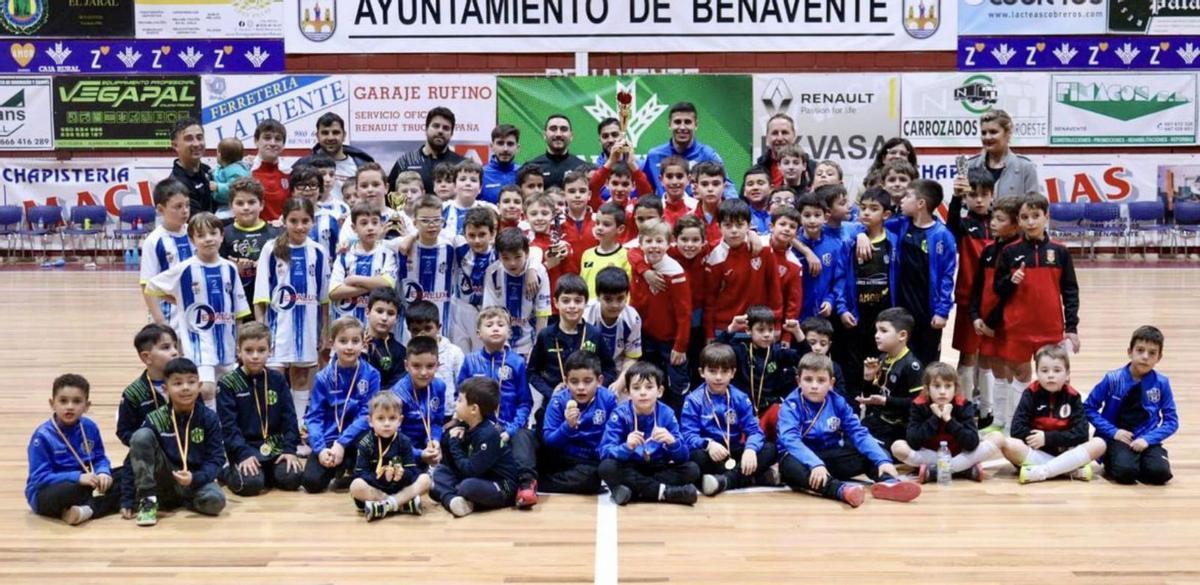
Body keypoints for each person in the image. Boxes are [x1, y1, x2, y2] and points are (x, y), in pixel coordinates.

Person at [777, 353, 921, 508]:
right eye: (808, 379)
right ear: (798, 381)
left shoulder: (838, 402)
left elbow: (858, 433)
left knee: (871, 450)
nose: (814, 385)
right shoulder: (790, 405)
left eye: (821, 380)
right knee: (789, 465)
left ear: (831, 383)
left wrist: (883, 460)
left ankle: (888, 482)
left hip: (829, 457)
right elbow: (790, 440)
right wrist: (815, 464)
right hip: (802, 460)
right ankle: (841, 490)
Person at [146, 212, 250, 410]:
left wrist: (239, 340)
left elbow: (239, 310)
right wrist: (179, 300)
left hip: (227, 340)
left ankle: (223, 427)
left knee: (227, 388)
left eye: (213, 233)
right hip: (198, 341)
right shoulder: (184, 268)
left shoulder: (230, 268)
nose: (208, 239)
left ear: (221, 236)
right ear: (192, 240)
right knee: (207, 388)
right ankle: (213, 428)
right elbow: (152, 287)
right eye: (201, 235)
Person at [993, 194, 1079, 415]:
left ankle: (1052, 422)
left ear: (1046, 217)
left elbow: (1070, 291)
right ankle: (1016, 425)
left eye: (1035, 216)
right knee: (1020, 377)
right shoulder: (1009, 252)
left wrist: (1071, 328)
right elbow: (998, 289)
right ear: (1019, 221)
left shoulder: (1060, 252)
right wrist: (1011, 282)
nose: (1030, 222)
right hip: (1017, 328)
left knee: (1051, 378)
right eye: (1024, 217)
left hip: (1050, 329)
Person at [457, 307, 539, 508]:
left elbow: (524, 402)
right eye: (489, 325)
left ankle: (525, 485)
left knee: (524, 436)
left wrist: (510, 430)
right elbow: (459, 397)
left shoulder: (517, 362)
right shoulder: (470, 361)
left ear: (509, 332)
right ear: (478, 333)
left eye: (501, 325)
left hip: (508, 428)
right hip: (479, 428)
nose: (495, 329)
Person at [129, 358, 226, 526]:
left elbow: (217, 458)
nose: (186, 387)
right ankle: (148, 501)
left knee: (216, 502)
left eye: (191, 382)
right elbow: (135, 456)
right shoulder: (155, 418)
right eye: (178, 383)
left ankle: (179, 499)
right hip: (164, 477)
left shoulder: (209, 418)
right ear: (166, 389)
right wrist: (126, 498)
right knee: (141, 435)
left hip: (194, 479)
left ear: (200, 385)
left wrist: (195, 478)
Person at [216, 322, 303, 496]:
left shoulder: (277, 379)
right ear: (238, 351)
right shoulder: (228, 383)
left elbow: (290, 418)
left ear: (270, 351)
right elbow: (229, 427)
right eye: (248, 351)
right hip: (245, 449)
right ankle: (226, 471)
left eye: (261, 350)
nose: (255, 356)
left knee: (292, 479)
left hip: (275, 448)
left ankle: (268, 472)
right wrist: (242, 454)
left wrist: (289, 450)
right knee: (251, 485)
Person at [997, 345, 1106, 483]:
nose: (1050, 375)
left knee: (1099, 443)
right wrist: (1038, 439)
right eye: (1044, 370)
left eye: (1057, 370)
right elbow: (1017, 429)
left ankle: (1041, 471)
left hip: (1066, 452)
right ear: (1036, 372)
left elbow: (1082, 433)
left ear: (1067, 374)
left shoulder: (1073, 397)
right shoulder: (1030, 394)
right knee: (1008, 444)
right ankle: (1068, 470)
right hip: (1038, 453)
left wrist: (1047, 438)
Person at [254, 197, 331, 392]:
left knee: (303, 378)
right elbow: (261, 296)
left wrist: (325, 330)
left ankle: (298, 422)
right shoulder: (271, 249)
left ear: (312, 222)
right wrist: (262, 331)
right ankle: (274, 423)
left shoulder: (318, 251)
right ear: (284, 220)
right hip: (277, 328)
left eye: (305, 221)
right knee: (274, 380)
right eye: (293, 221)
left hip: (308, 327)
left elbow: (324, 298)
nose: (299, 227)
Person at [598, 361, 701, 505]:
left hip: (658, 468)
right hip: (630, 466)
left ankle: (634, 492)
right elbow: (604, 451)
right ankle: (667, 493)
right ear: (627, 392)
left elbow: (683, 456)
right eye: (636, 387)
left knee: (692, 469)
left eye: (649, 387)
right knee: (607, 467)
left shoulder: (667, 413)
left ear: (660, 391)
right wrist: (626, 447)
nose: (643, 392)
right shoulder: (619, 415)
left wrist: (672, 443)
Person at [1084, 326, 1176, 485]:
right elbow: (1088, 408)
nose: (1145, 357)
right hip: (1117, 438)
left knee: (1160, 474)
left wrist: (1148, 439)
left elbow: (1171, 421)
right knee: (1125, 473)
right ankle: (1116, 458)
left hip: (1147, 438)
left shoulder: (1162, 383)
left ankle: (1142, 460)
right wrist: (1113, 432)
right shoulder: (1112, 379)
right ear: (1130, 352)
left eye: (1152, 353)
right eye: (1140, 350)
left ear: (1159, 357)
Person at [682, 343, 777, 496]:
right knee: (694, 458)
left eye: (724, 371)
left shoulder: (740, 398)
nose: (718, 377)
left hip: (733, 450)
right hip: (709, 454)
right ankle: (749, 477)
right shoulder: (693, 400)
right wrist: (708, 444)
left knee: (770, 449)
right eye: (712, 371)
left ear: (733, 373)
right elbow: (687, 436)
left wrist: (751, 449)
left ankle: (725, 481)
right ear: (702, 372)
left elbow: (754, 430)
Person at [301, 317, 382, 494]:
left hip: (358, 440)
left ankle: (349, 469)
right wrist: (321, 449)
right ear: (332, 343)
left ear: (363, 344)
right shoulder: (323, 377)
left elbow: (366, 414)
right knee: (311, 483)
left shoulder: (372, 375)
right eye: (343, 341)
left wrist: (342, 443)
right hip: (329, 441)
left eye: (355, 341)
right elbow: (314, 417)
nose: (349, 347)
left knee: (374, 470)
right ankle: (339, 467)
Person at [26, 374, 119, 525]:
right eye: (63, 401)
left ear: (87, 406)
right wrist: (77, 477)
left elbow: (99, 457)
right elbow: (39, 479)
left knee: (127, 475)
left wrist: (103, 472)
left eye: (76, 401)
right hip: (49, 491)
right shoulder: (42, 437)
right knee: (73, 489)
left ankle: (79, 512)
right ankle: (93, 508)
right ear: (52, 403)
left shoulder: (90, 427)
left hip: (87, 482)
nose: (69, 406)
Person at [891, 362, 1001, 483]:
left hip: (960, 454)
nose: (942, 391)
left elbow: (972, 443)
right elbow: (913, 442)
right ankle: (963, 469)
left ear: (955, 389)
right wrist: (935, 417)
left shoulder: (963, 404)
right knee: (898, 447)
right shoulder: (918, 405)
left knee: (998, 438)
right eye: (937, 386)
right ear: (927, 389)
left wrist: (949, 420)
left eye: (948, 386)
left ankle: (935, 471)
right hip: (932, 455)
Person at [972, 196, 1024, 430]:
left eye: (1000, 219)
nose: (993, 222)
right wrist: (976, 316)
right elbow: (978, 285)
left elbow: (1009, 294)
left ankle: (1013, 420)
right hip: (985, 320)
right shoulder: (989, 250)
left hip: (1004, 322)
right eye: (993, 217)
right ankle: (999, 419)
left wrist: (992, 322)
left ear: (1015, 225)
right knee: (995, 367)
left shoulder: (1018, 253)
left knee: (1012, 369)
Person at [891, 179, 957, 366]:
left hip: (929, 313)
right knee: (901, 359)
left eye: (907, 196)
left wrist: (943, 311)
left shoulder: (942, 235)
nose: (902, 200)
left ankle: (927, 395)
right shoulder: (900, 225)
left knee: (927, 362)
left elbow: (947, 275)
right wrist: (862, 235)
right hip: (902, 310)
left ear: (921, 204)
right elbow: (868, 225)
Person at [432, 376, 520, 517]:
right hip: (480, 478)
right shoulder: (466, 425)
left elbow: (470, 470)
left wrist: (454, 444)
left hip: (503, 486)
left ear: (474, 409)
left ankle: (450, 497)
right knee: (439, 474)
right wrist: (449, 439)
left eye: (460, 400)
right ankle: (454, 500)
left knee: (467, 486)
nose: (456, 403)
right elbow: (451, 464)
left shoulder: (489, 434)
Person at [627, 219, 692, 406]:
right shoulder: (640, 262)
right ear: (641, 243)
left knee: (677, 386)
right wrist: (644, 271)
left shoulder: (675, 273)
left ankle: (679, 424)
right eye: (648, 241)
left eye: (659, 241)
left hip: (670, 341)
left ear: (668, 244)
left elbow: (684, 313)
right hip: (645, 336)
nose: (654, 246)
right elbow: (631, 253)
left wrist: (680, 345)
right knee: (648, 382)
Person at [949, 166, 996, 422]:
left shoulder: (1000, 225)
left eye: (984, 194)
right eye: (973, 195)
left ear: (992, 195)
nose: (979, 199)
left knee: (990, 355)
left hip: (995, 301)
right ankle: (964, 407)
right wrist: (956, 198)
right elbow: (951, 224)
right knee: (968, 354)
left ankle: (988, 409)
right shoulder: (963, 226)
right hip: (968, 299)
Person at [717, 306, 805, 440]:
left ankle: (782, 453)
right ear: (748, 330)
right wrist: (731, 329)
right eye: (761, 330)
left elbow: (810, 362)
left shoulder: (778, 353)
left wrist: (798, 333)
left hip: (769, 411)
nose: (767, 334)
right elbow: (713, 353)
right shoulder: (740, 350)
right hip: (743, 412)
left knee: (780, 412)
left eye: (770, 330)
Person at [529, 275, 617, 408]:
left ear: (585, 302)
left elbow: (609, 369)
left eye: (577, 301)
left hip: (590, 404)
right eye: (566, 301)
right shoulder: (546, 335)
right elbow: (532, 372)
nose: (572, 306)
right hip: (555, 403)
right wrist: (550, 392)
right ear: (556, 302)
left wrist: (594, 388)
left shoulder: (594, 334)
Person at [842, 188, 897, 396]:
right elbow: (840, 278)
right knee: (854, 366)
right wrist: (842, 308)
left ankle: (877, 408)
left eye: (873, 209)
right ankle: (854, 411)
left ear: (886, 215)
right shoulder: (850, 241)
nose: (866, 213)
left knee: (880, 364)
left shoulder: (893, 242)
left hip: (883, 316)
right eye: (863, 208)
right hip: (856, 317)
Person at [702, 199, 782, 339]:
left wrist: (776, 324)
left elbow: (774, 289)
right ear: (718, 227)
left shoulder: (763, 249)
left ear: (749, 226)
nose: (734, 230)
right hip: (725, 328)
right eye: (727, 225)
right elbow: (710, 300)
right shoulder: (714, 256)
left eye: (739, 225)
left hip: (759, 327)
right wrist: (709, 334)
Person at [541, 351, 619, 494]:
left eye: (588, 381)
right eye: (574, 381)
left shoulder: (608, 400)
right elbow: (549, 441)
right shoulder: (558, 401)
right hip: (562, 456)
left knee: (593, 478)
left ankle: (543, 483)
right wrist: (567, 426)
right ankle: (535, 481)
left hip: (591, 460)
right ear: (566, 381)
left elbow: (613, 436)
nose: (581, 387)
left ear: (600, 381)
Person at [351, 392, 432, 520]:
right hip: (376, 489)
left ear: (400, 421)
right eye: (381, 418)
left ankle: (384, 506)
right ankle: (401, 504)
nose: (387, 423)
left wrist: (402, 474)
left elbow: (412, 470)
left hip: (400, 487)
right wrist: (382, 477)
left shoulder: (404, 441)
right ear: (370, 421)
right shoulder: (365, 443)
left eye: (392, 418)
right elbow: (360, 473)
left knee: (426, 480)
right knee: (356, 486)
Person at [642, 102, 737, 199]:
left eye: (687, 122)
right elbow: (644, 190)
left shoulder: (707, 154)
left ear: (696, 124)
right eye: (677, 122)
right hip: (664, 212)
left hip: (698, 213)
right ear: (670, 124)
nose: (682, 127)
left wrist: (736, 211)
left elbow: (727, 187)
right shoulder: (654, 156)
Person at [396, 195, 460, 340]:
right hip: (409, 325)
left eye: (436, 220)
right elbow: (375, 244)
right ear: (414, 222)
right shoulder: (401, 245)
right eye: (425, 220)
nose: (431, 225)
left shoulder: (452, 245)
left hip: (442, 320)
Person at [860, 307, 924, 449]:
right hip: (878, 421)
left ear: (902, 335)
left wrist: (886, 401)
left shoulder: (912, 366)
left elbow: (918, 404)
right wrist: (868, 378)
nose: (876, 335)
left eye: (883, 331)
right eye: (876, 330)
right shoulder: (882, 359)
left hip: (899, 428)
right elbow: (870, 397)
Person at [482, 228, 551, 357]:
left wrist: (538, 347)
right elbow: (489, 312)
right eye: (506, 258)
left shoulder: (538, 272)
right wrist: (495, 343)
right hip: (501, 341)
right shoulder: (492, 273)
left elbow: (543, 313)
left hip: (529, 342)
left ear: (526, 253)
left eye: (517, 257)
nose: (512, 263)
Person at [329, 203, 398, 324]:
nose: (370, 227)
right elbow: (334, 292)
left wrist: (353, 279)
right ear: (354, 228)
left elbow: (387, 284)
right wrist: (373, 286)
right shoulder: (344, 253)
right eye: (364, 223)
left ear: (381, 225)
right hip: (346, 325)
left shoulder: (387, 253)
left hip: (376, 326)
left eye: (375, 222)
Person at [140, 179, 194, 329]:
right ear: (160, 209)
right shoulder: (154, 241)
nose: (184, 211)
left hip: (195, 313)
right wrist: (160, 321)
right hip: (169, 317)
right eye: (177, 206)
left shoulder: (195, 234)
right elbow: (147, 285)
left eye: (187, 205)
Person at [390, 335, 446, 471]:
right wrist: (419, 454)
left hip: (426, 448)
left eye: (430, 366)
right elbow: (392, 436)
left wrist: (434, 441)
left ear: (438, 365)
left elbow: (437, 422)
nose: (423, 372)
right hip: (403, 450)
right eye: (416, 366)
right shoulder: (397, 395)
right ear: (406, 366)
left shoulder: (439, 387)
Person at [583, 267, 642, 394]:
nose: (615, 305)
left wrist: (620, 383)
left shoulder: (632, 318)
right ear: (598, 296)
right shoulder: (585, 314)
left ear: (627, 296)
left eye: (620, 298)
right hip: (586, 369)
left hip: (618, 371)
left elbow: (631, 357)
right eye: (608, 299)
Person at [220, 178, 277, 306]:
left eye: (251, 202)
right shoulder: (222, 235)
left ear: (261, 205)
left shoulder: (276, 234)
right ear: (231, 205)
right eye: (240, 203)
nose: (246, 208)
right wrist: (233, 268)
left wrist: (264, 266)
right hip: (236, 303)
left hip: (269, 301)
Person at [450, 207, 500, 353]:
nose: (477, 240)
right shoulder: (459, 246)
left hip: (487, 310)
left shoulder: (499, 254)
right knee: (460, 354)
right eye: (471, 235)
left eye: (482, 234)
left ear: (493, 233)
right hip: (460, 308)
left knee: (482, 354)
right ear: (464, 235)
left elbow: (531, 253)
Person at [405, 300, 465, 418]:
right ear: (409, 330)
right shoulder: (408, 354)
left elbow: (464, 389)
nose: (422, 334)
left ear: (438, 327)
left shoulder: (454, 353)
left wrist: (458, 418)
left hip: (449, 416)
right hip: (419, 418)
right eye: (416, 330)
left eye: (427, 328)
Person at [962, 109, 1039, 199]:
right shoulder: (970, 166)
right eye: (983, 133)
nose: (987, 137)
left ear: (1007, 133)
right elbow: (964, 205)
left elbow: (1034, 207)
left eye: (993, 132)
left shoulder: (1026, 168)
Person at [296, 112, 375, 197]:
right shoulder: (303, 165)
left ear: (344, 135)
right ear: (317, 136)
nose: (330, 137)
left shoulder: (362, 165)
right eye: (325, 133)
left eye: (335, 132)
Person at [388, 106, 464, 193]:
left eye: (446, 128)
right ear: (426, 128)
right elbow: (389, 197)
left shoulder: (460, 164)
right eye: (436, 126)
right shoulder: (406, 162)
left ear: (451, 133)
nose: (440, 131)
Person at [796, 194, 846, 321]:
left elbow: (839, 279)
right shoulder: (791, 245)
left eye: (817, 215)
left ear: (826, 217)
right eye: (807, 215)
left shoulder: (835, 246)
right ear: (799, 217)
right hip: (796, 315)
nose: (812, 220)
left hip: (823, 315)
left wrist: (830, 301)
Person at [522, 114, 588, 189]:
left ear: (571, 136)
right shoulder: (530, 168)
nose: (558, 134)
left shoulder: (582, 168)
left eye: (563, 129)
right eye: (553, 129)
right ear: (544, 135)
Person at [757, 113, 817, 191]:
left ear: (794, 135)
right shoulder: (758, 170)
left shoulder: (813, 169)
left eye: (784, 132)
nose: (780, 138)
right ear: (767, 137)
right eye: (775, 133)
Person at [167, 118, 214, 215]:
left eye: (199, 137)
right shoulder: (176, 186)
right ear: (175, 145)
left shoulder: (206, 169)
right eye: (189, 139)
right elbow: (201, 224)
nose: (197, 144)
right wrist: (236, 220)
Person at [442, 160, 497, 238]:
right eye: (463, 179)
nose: (468, 183)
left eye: (473, 180)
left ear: (480, 188)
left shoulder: (490, 210)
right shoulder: (442, 208)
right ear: (454, 185)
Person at [364, 287, 407, 388]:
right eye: (379, 311)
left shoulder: (400, 352)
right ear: (367, 312)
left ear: (396, 318)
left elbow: (396, 386)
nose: (384, 318)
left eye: (391, 313)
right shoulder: (353, 344)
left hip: (384, 402)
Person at [251, 119, 289, 222]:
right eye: (267, 138)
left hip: (283, 233)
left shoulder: (289, 173)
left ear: (283, 145)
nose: (272, 143)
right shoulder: (246, 172)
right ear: (256, 141)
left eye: (278, 139)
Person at [212, 137, 252, 219]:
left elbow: (236, 188)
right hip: (223, 204)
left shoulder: (236, 171)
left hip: (231, 208)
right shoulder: (224, 168)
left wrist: (218, 187)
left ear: (219, 155)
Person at [482, 124, 521, 204]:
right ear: (492, 146)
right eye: (500, 143)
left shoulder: (523, 173)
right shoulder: (481, 174)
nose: (505, 149)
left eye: (510, 144)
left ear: (517, 148)